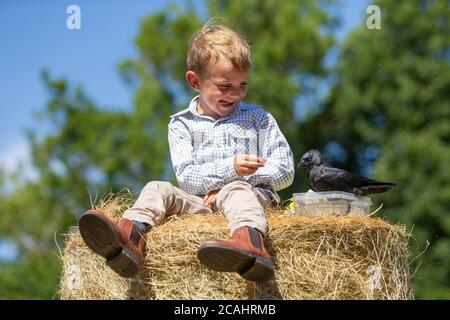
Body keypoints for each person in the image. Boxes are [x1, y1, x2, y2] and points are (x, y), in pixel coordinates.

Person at [78, 23, 294, 282]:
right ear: (195, 81)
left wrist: (237, 179)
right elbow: (187, 179)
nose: (236, 94)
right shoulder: (181, 125)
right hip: (201, 205)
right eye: (225, 86)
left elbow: (285, 171)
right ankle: (129, 240)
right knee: (158, 188)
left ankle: (251, 245)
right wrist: (229, 169)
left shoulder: (258, 117)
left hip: (252, 199)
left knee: (235, 191)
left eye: (243, 84)